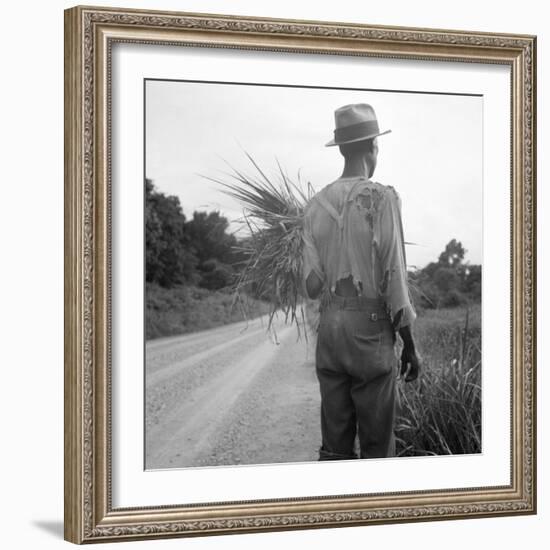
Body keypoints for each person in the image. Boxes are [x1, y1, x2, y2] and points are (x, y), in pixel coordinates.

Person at [302, 103, 421, 460]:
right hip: (369, 335)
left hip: (330, 331)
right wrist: (410, 346)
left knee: (335, 447)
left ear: (340, 148)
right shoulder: (382, 198)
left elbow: (311, 286)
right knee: (376, 447)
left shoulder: (313, 206)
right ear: (374, 146)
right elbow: (395, 279)